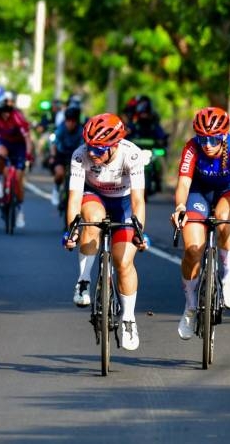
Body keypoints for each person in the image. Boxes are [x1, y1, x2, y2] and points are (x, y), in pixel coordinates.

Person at [63, 113, 147, 351]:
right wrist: (72, 231)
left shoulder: (132, 154)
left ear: (115, 145)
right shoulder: (80, 155)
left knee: (123, 263)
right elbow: (74, 199)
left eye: (99, 149)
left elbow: (138, 200)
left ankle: (128, 319)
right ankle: (83, 280)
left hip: (124, 203)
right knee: (92, 220)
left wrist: (139, 231)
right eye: (90, 146)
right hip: (95, 196)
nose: (92, 153)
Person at [171, 107, 230, 339]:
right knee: (192, 250)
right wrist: (180, 207)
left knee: (226, 219)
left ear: (224, 136)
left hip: (226, 192)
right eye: (202, 139)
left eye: (214, 139)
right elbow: (184, 184)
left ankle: (228, 279)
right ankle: (190, 307)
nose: (207, 145)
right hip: (198, 193)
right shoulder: (191, 147)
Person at [0, 92, 34, 228]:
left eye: (8, 111)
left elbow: (27, 139)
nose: (5, 114)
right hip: (5, 143)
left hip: (19, 146)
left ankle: (20, 209)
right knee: (0, 156)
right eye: (3, 111)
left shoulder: (17, 117)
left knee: (19, 178)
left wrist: (28, 154)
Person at [49, 106, 84, 207]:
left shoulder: (81, 131)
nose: (70, 124)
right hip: (61, 154)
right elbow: (54, 144)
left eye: (73, 121)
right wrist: (52, 156)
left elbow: (83, 146)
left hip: (76, 155)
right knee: (60, 173)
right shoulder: (61, 129)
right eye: (68, 121)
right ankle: (56, 188)